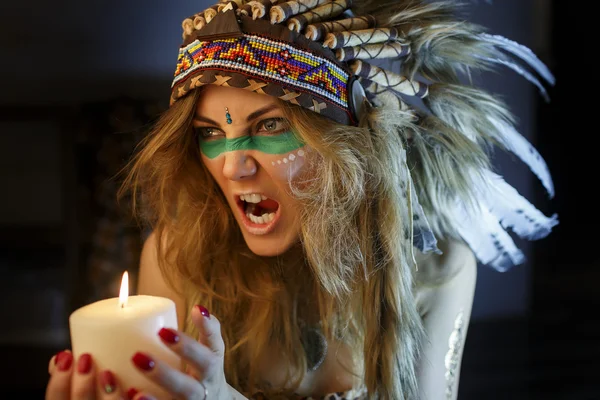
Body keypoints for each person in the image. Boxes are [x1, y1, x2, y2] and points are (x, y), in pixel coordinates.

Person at [45, 0, 557, 399]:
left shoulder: (436, 267)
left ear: (352, 149)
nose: (232, 164)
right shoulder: (178, 255)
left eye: (270, 126)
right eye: (209, 133)